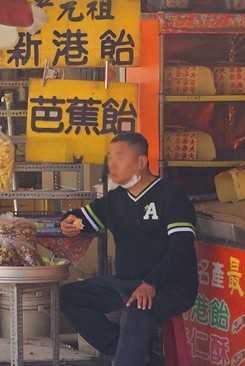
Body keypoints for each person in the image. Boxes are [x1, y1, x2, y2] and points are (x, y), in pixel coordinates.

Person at [59, 132, 197, 366]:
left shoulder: (172, 197)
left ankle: (128, 358)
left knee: (136, 308)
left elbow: (181, 250)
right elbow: (81, 218)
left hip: (170, 285)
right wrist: (68, 222)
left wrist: (151, 283)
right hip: (126, 283)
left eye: (120, 157)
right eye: (110, 157)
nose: (112, 164)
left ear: (142, 162)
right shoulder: (115, 200)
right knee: (68, 296)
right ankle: (127, 352)